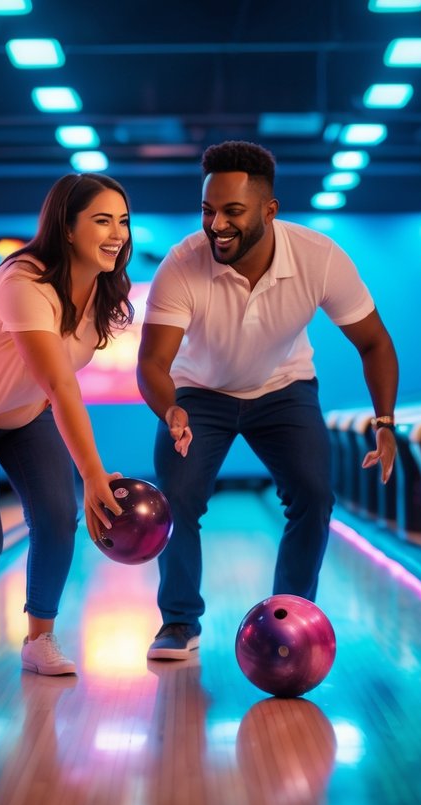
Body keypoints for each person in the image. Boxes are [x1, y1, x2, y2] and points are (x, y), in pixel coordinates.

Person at [137, 141, 399, 660]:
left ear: (268, 210)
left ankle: (292, 618)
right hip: (200, 394)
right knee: (179, 495)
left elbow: (375, 342)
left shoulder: (318, 258)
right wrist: (171, 410)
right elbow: (151, 364)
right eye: (209, 211)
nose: (216, 225)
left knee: (313, 495)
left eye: (232, 211)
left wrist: (385, 423)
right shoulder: (183, 264)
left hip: (284, 389)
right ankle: (179, 622)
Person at [0, 172, 134, 675]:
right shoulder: (25, 281)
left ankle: (40, 639)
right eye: (102, 221)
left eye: (123, 221)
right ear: (66, 227)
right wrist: (93, 472)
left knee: (59, 519)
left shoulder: (104, 292)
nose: (117, 234)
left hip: (25, 415)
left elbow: (51, 390)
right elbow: (61, 384)